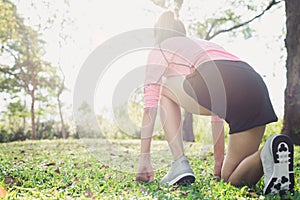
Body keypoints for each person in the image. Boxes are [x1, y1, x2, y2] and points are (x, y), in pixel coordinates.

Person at [135, 11, 294, 195]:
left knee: (162, 90)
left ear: (158, 34)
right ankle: (268, 151)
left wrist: (144, 159)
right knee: (231, 178)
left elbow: (150, 105)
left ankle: (179, 162)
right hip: (254, 84)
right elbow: (218, 109)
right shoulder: (205, 46)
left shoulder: (161, 48)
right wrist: (219, 162)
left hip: (215, 76)